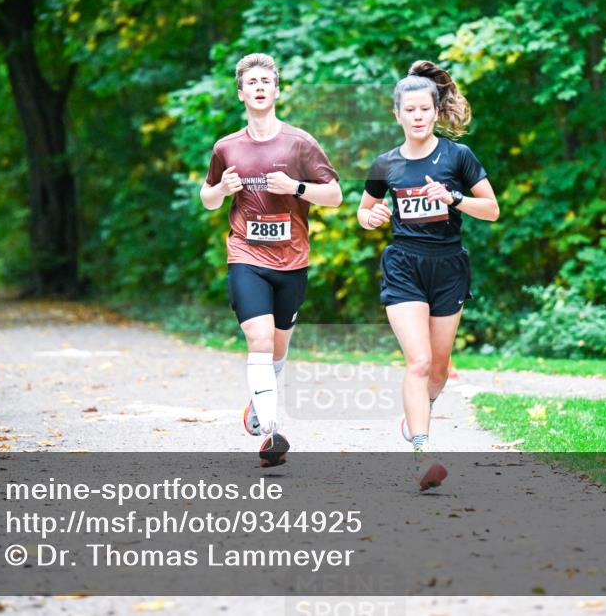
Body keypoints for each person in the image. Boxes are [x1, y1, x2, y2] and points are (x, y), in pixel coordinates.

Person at [357, 60, 499, 490]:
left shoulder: (458, 156)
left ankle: (418, 413)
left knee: (437, 370)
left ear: (436, 112)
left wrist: (454, 197)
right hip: (404, 265)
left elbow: (491, 210)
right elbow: (364, 211)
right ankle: (422, 452)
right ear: (397, 114)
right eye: (410, 110)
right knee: (417, 362)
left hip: (449, 267)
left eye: (425, 110)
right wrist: (373, 216)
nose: (418, 117)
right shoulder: (386, 164)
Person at [200, 53, 342, 467]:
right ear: (241, 93)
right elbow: (207, 199)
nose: (260, 87)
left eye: (267, 81)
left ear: (277, 90)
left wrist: (296, 187)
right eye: (252, 81)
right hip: (246, 255)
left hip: (293, 261)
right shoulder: (226, 147)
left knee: (277, 351)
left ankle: (257, 408)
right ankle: (272, 431)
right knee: (259, 341)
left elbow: (333, 196)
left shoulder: (299, 143)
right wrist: (222, 190)